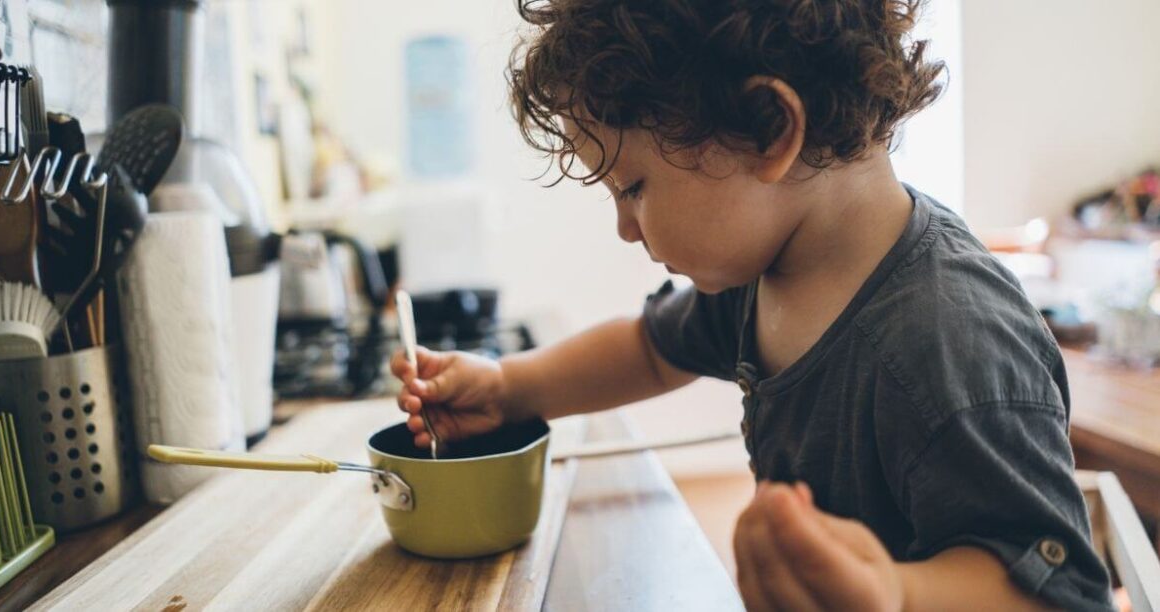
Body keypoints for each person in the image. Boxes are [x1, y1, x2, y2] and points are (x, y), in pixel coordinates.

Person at [391, 1, 1114, 609]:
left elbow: (1059, 589)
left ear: (770, 129)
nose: (625, 227)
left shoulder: (947, 340)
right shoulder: (765, 274)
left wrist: (896, 592)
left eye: (633, 187)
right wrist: (510, 386)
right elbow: (650, 349)